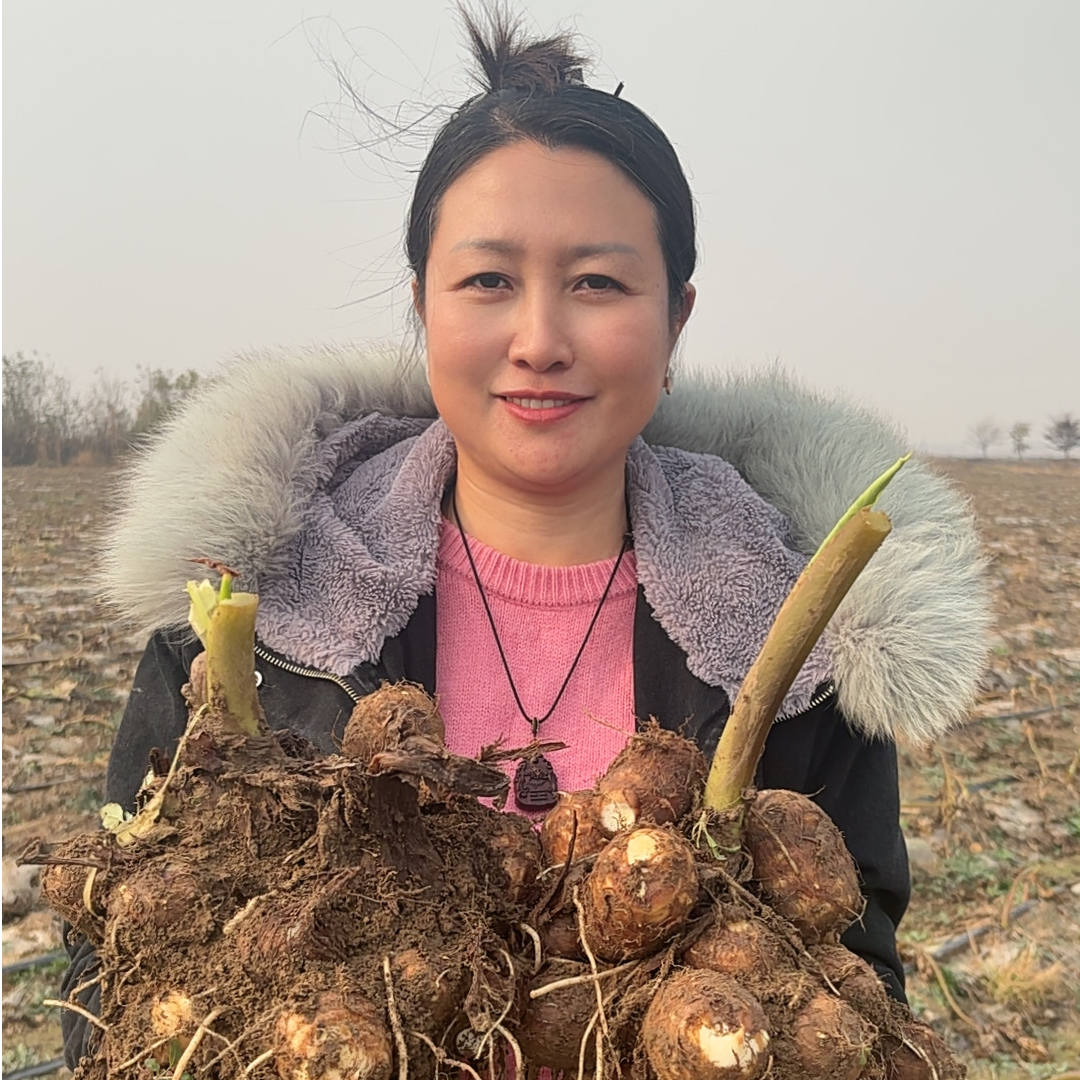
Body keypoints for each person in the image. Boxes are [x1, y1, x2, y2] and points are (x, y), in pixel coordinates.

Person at [60, 8, 988, 1068]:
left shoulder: (806, 636)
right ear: (422, 306)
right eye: (488, 280)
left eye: (597, 283)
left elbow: (850, 985)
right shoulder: (251, 623)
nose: (541, 340)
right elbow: (122, 976)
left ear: (676, 320)